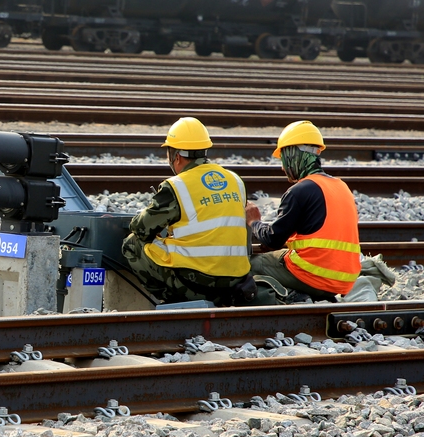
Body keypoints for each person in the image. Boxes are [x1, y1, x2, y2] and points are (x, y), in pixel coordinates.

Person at [121, 117, 256, 306]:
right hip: (236, 279)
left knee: (132, 244)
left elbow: (142, 228)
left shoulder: (176, 186)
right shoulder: (235, 179)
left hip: (198, 280)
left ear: (176, 156)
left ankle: (176, 301)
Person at [244, 120, 361, 302]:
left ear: (294, 154)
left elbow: (273, 239)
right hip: (344, 281)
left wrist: (254, 221)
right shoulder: (341, 186)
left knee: (251, 265)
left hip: (314, 276)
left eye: (284, 158)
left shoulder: (300, 190)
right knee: (277, 257)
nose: (283, 167)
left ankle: (287, 297)